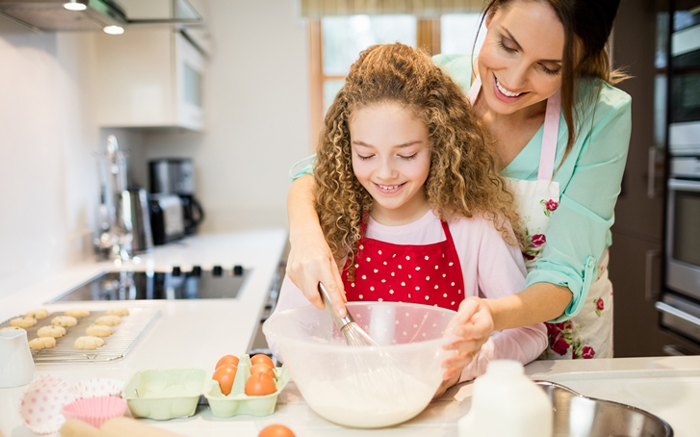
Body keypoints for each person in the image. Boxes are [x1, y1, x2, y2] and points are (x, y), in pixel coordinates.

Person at [285, 0, 631, 362]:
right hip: (469, 347)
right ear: (492, 13)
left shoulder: (602, 115)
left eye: (548, 67)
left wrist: (493, 316)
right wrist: (307, 236)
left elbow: (564, 270)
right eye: (507, 46)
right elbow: (323, 167)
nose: (512, 81)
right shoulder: (440, 83)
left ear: (579, 62)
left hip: (558, 338)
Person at [270, 43, 547, 391]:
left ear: (438, 143)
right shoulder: (330, 225)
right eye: (366, 154)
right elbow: (283, 331)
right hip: (346, 408)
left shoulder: (474, 224)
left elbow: (530, 333)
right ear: (347, 148)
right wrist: (327, 363)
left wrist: (462, 366)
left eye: (407, 154)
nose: (385, 173)